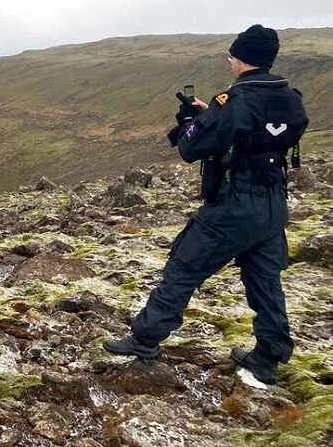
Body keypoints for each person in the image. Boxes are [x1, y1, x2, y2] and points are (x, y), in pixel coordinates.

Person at [104, 25, 309, 385]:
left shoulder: (234, 100)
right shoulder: (290, 95)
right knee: (265, 280)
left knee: (184, 266)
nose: (231, 62)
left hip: (234, 205)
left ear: (239, 58)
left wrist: (192, 121)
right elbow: (264, 133)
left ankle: (145, 340)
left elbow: (190, 148)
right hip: (273, 203)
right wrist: (213, 117)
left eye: (231, 56)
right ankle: (269, 356)